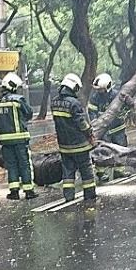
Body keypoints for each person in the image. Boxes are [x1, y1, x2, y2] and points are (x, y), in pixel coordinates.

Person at [0, 72, 38, 200]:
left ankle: (14, 191)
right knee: (24, 164)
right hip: (20, 139)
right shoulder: (18, 100)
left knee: (11, 165)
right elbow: (29, 113)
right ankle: (29, 191)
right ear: (13, 86)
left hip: (5, 141)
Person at [51, 73, 97, 203]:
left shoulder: (54, 102)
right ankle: (90, 196)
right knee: (86, 171)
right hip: (79, 145)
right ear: (73, 87)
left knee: (68, 173)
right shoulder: (74, 103)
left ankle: (68, 196)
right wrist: (90, 132)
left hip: (64, 146)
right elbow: (81, 123)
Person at [88, 73, 134, 182]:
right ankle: (101, 173)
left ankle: (119, 171)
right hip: (104, 131)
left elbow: (126, 109)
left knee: (120, 149)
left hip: (118, 129)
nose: (99, 92)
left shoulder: (117, 96)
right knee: (102, 150)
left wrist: (129, 103)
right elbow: (92, 112)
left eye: (101, 89)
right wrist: (95, 122)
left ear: (108, 87)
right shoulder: (95, 98)